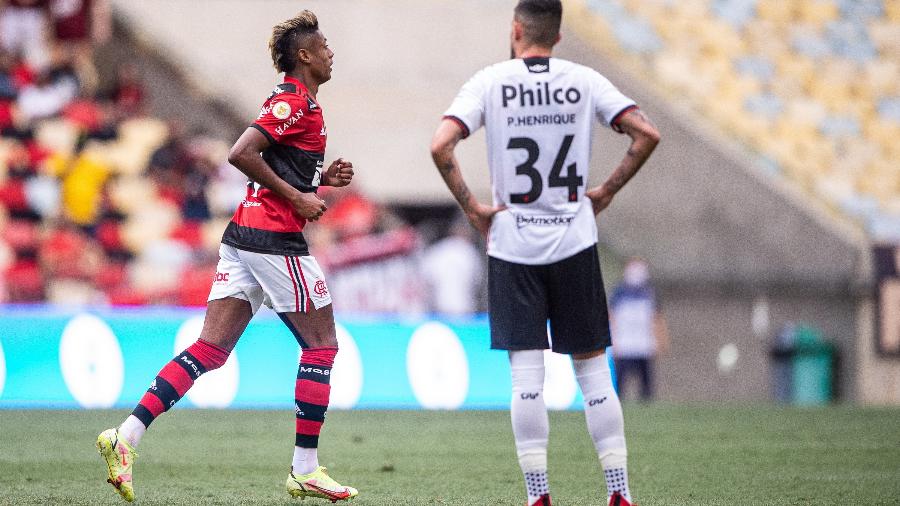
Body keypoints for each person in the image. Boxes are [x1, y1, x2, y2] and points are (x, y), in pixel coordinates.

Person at [96, 11, 359, 503]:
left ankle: (125, 436)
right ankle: (305, 467)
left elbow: (274, 168)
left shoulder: (300, 106)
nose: (330, 52)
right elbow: (241, 152)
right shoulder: (293, 102)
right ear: (304, 55)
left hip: (245, 236)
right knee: (322, 346)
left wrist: (320, 183)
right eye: (323, 45)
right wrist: (300, 200)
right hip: (273, 239)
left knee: (211, 350)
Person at [430, 1, 660, 505]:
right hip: (574, 239)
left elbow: (441, 145)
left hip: (513, 243)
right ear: (556, 36)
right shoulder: (584, 80)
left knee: (527, 377)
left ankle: (539, 495)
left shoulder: (490, 81)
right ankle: (618, 491)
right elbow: (646, 134)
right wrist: (607, 191)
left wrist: (472, 208)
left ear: (515, 30)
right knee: (594, 371)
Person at [609, 258, 669, 401]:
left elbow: (657, 318)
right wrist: (612, 341)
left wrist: (661, 340)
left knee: (646, 386)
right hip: (624, 345)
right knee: (620, 385)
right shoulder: (618, 292)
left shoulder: (650, 293)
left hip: (644, 345)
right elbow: (611, 317)